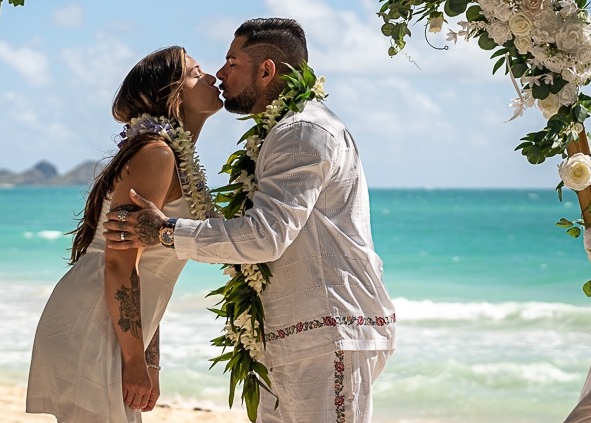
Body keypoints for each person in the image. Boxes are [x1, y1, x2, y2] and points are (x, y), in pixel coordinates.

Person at [102, 18, 397, 423]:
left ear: (266, 70)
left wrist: (166, 231)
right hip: (290, 335)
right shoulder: (280, 132)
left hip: (324, 332)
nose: (219, 73)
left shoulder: (303, 130)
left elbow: (266, 236)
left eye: (230, 61)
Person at [26, 46, 222, 422]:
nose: (211, 76)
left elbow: (149, 272)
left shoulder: (170, 157)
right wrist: (135, 361)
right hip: (97, 319)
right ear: (172, 95)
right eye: (196, 73)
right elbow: (119, 263)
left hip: (119, 324)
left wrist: (150, 361)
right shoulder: (156, 154)